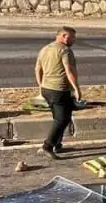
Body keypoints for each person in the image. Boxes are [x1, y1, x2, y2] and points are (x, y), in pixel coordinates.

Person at [35, 26, 81, 158]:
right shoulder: (65, 50)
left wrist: (40, 85)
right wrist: (76, 89)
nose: (74, 40)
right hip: (59, 90)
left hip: (47, 89)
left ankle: (57, 144)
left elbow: (37, 68)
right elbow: (69, 71)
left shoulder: (45, 48)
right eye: (72, 37)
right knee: (62, 119)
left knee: (59, 117)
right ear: (64, 36)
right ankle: (48, 146)